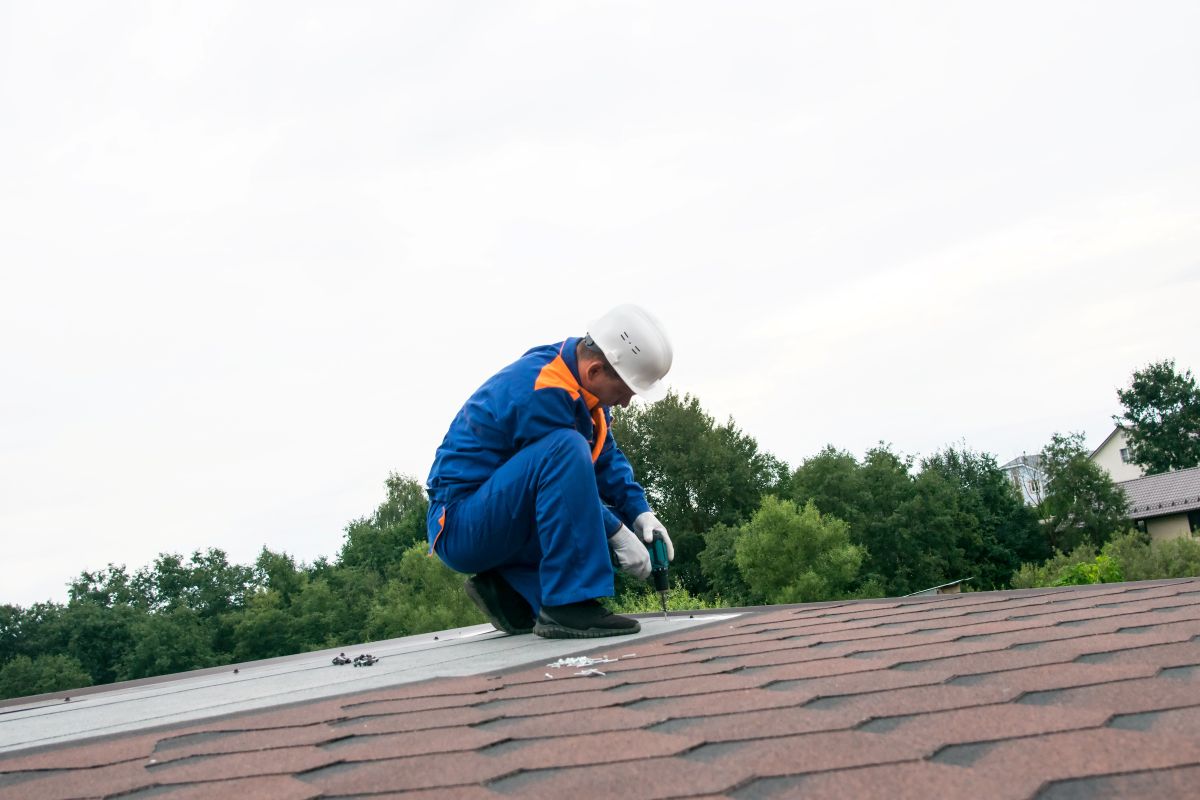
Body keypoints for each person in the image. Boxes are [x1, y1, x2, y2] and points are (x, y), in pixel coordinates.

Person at [425, 304, 675, 639]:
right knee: (568, 451)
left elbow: (606, 459)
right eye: (625, 391)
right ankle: (569, 606)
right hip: (460, 526)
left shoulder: (579, 386)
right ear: (596, 370)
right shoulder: (543, 388)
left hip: (498, 519)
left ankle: (511, 592)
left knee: (598, 505)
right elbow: (562, 470)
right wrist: (617, 532)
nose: (627, 403)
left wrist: (640, 512)